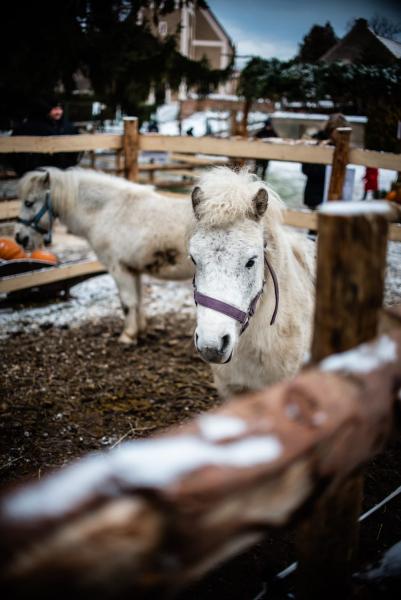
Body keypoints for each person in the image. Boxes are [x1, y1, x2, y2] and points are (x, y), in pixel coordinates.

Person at [9, 98, 80, 177]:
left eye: (60, 109)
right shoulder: (31, 126)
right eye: (54, 109)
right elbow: (15, 150)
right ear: (45, 110)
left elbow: (76, 148)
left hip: (62, 172)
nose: (58, 112)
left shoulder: (67, 126)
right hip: (37, 172)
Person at [302, 113, 349, 210]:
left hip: (335, 197)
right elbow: (306, 168)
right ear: (331, 130)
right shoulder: (316, 142)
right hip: (316, 196)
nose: (341, 136)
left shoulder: (343, 146)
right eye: (339, 132)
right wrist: (331, 170)